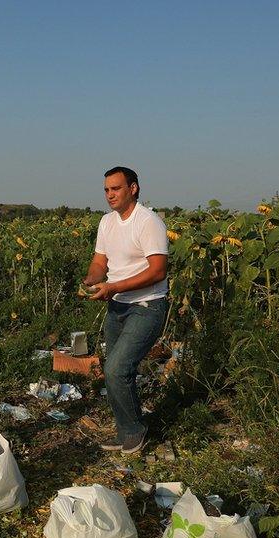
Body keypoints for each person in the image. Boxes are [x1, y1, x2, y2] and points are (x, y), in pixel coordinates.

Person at [83, 166, 169, 454]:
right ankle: (125, 433)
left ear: (133, 188)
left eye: (116, 188)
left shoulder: (148, 222)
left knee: (117, 368)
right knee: (115, 371)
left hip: (147, 305)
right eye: (107, 189)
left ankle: (136, 431)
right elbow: (99, 262)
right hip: (117, 305)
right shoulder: (107, 223)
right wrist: (92, 280)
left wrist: (115, 286)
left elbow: (158, 271)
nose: (110, 195)